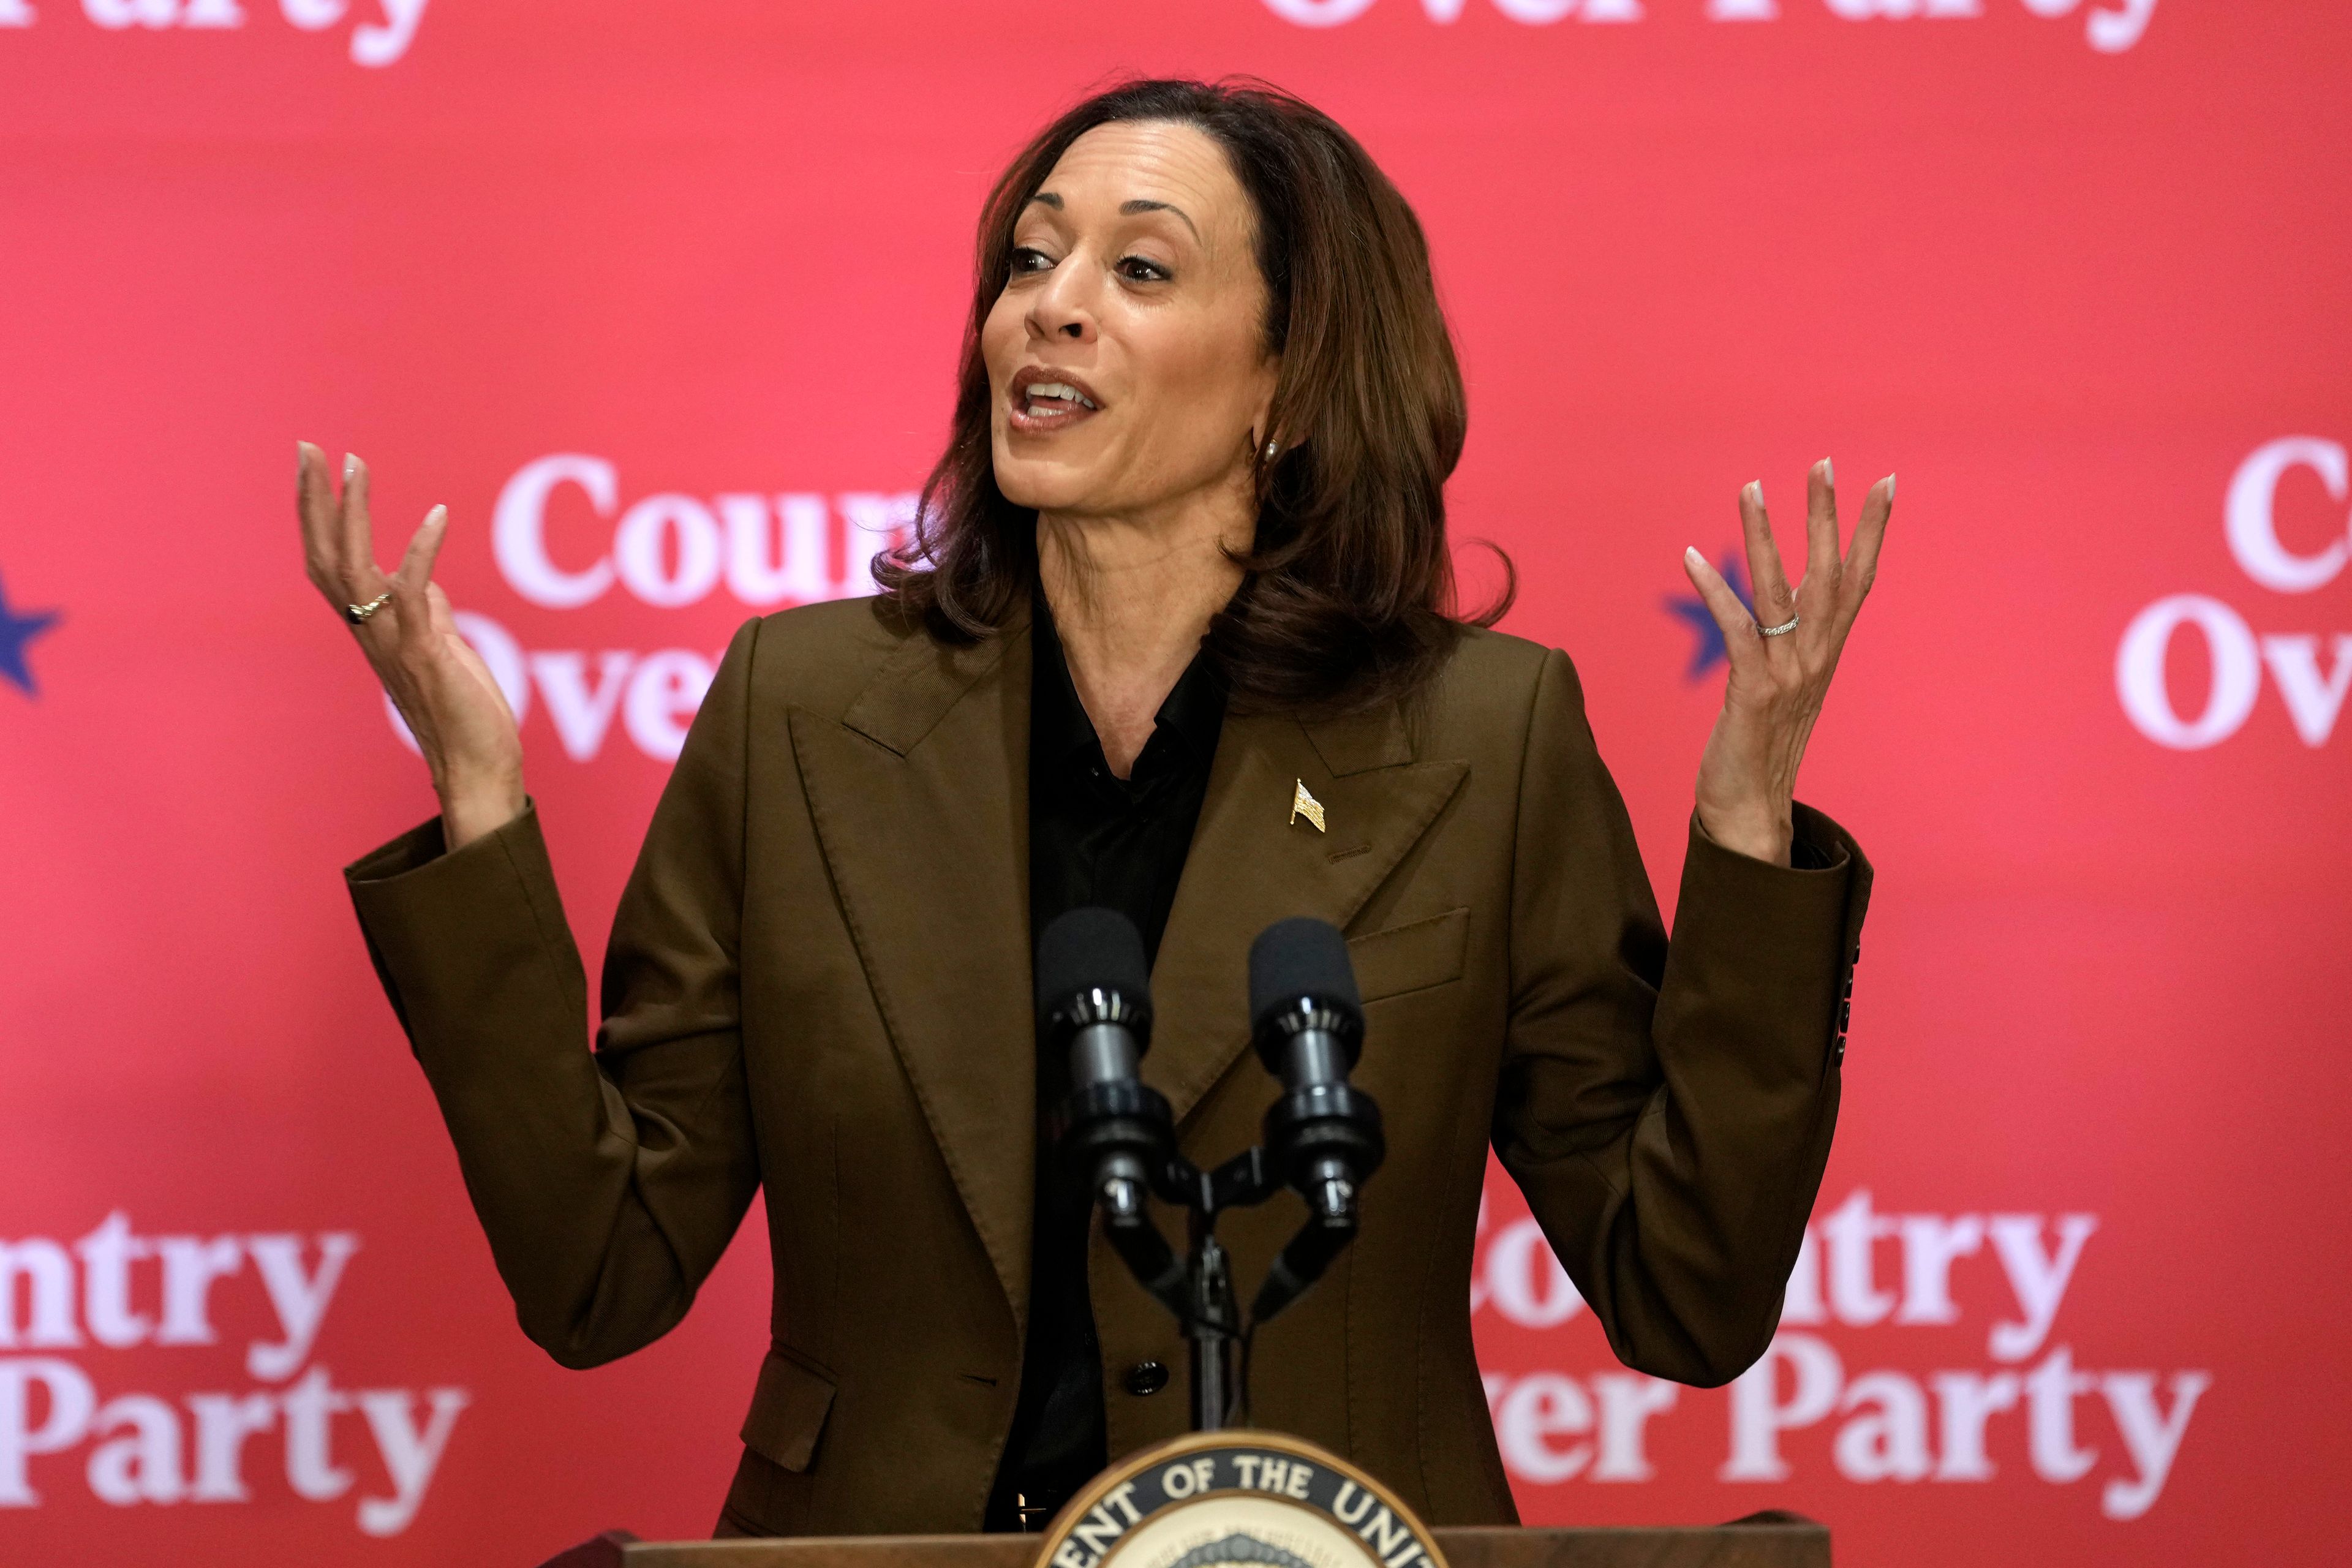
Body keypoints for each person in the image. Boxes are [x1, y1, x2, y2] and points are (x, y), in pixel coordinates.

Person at [298, 77, 1886, 1538]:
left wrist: (1750, 836)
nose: (1046, 310)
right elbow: (602, 1270)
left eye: (1138, 271)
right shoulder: (799, 711)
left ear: (1292, 378)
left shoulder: (1486, 735)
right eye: (1030, 262)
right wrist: (484, 811)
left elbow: (1689, 1290)